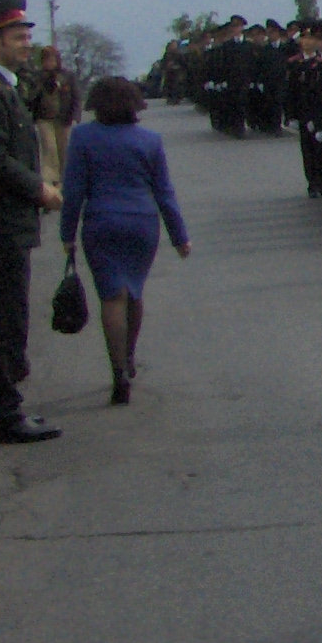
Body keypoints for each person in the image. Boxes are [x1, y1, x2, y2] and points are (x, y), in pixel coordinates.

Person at [58, 77, 190, 404]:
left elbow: (74, 190)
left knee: (110, 297)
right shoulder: (150, 140)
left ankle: (117, 373)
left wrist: (67, 233)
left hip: (101, 222)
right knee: (133, 291)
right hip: (141, 223)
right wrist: (179, 236)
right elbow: (164, 192)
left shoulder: (83, 137)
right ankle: (130, 356)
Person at [0, 0, 64, 443]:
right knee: (0, 321)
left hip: (4, 224)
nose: (26, 43)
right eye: (17, 36)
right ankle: (2, 414)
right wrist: (38, 189)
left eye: (29, 35)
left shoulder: (4, 87)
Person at [22, 43, 80, 185]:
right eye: (47, 60)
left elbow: (75, 97)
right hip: (44, 118)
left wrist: (75, 116)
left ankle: (64, 178)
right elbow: (31, 97)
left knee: (64, 149)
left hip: (64, 118)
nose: (50, 63)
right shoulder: (37, 76)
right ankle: (51, 180)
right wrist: (41, 84)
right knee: (49, 148)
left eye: (52, 60)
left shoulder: (67, 75)